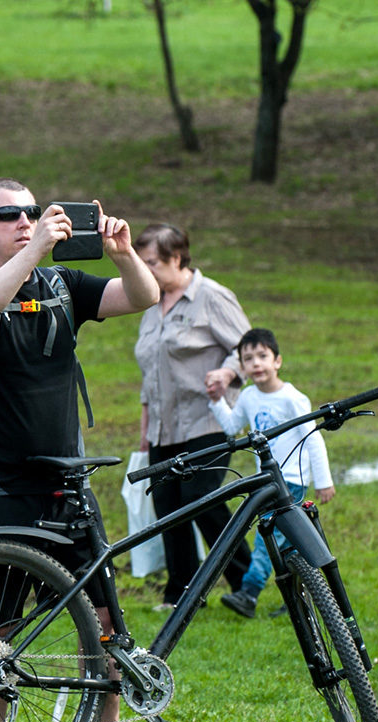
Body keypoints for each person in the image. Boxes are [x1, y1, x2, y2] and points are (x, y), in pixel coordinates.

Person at [0, 177, 158, 722]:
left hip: (67, 483)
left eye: (32, 212)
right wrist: (34, 247)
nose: (24, 220)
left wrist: (124, 255)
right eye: (8, 214)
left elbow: (141, 296)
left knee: (105, 619)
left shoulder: (61, 287)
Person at [133, 223, 255, 611]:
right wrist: (145, 429)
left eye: (151, 262)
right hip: (163, 426)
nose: (145, 270)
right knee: (167, 506)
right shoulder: (151, 304)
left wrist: (229, 372)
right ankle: (183, 594)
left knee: (200, 497)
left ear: (176, 258)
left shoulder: (212, 297)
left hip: (208, 419)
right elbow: (150, 371)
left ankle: (247, 579)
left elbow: (249, 348)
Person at [208, 328, 335, 618]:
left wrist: (324, 481)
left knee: (269, 535)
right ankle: (303, 598)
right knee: (292, 542)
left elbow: (313, 437)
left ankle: (249, 593)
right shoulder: (249, 397)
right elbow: (231, 427)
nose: (256, 363)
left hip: (291, 480)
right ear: (242, 367)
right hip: (265, 480)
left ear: (277, 361)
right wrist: (217, 401)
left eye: (262, 356)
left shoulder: (292, 398)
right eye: (248, 358)